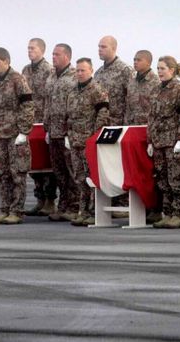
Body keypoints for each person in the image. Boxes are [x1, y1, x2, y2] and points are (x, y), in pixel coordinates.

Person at [0, 47, 34, 224]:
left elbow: (28, 106)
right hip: (0, 134)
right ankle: (5, 209)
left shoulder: (17, 80)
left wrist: (24, 131)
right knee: (3, 173)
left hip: (15, 134)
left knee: (17, 173)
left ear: (6, 61)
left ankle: (16, 211)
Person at [146, 56, 180, 229]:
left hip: (174, 142)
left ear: (172, 70)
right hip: (159, 142)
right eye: (158, 68)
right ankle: (168, 213)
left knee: (176, 179)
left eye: (163, 68)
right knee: (163, 180)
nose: (159, 72)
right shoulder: (156, 90)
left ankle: (178, 213)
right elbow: (151, 117)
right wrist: (150, 141)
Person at [65, 58, 110, 227]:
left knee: (92, 178)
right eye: (77, 70)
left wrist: (95, 136)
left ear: (91, 70)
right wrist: (68, 135)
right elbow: (68, 116)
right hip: (75, 141)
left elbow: (103, 114)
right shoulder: (72, 91)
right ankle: (83, 211)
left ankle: (93, 212)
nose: (79, 73)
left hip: (89, 141)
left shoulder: (97, 90)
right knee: (79, 177)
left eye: (83, 70)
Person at [95, 35, 134, 211]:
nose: (100, 50)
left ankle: (124, 202)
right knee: (107, 165)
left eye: (103, 46)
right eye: (99, 46)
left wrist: (126, 125)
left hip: (119, 125)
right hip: (103, 126)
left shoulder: (125, 70)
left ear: (113, 48)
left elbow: (131, 98)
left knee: (120, 165)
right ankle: (109, 201)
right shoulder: (98, 73)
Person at [22, 38, 57, 216]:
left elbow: (51, 97)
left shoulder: (49, 70)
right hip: (30, 122)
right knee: (34, 164)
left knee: (47, 165)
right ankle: (39, 199)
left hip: (44, 122)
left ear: (42, 50)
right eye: (28, 48)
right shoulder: (25, 70)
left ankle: (50, 200)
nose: (30, 51)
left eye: (33, 48)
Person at [43, 43, 78, 222]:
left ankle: (75, 207)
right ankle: (63, 206)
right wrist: (46, 127)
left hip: (67, 133)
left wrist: (70, 131)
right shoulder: (51, 77)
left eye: (57, 54)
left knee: (72, 172)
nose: (53, 57)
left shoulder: (74, 76)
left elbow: (76, 105)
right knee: (59, 173)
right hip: (53, 131)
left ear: (66, 56)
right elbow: (47, 103)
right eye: (53, 54)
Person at [124, 49, 160, 125]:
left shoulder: (156, 82)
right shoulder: (131, 81)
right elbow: (128, 106)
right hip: (131, 126)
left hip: (148, 126)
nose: (135, 62)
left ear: (148, 63)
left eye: (139, 60)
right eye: (134, 60)